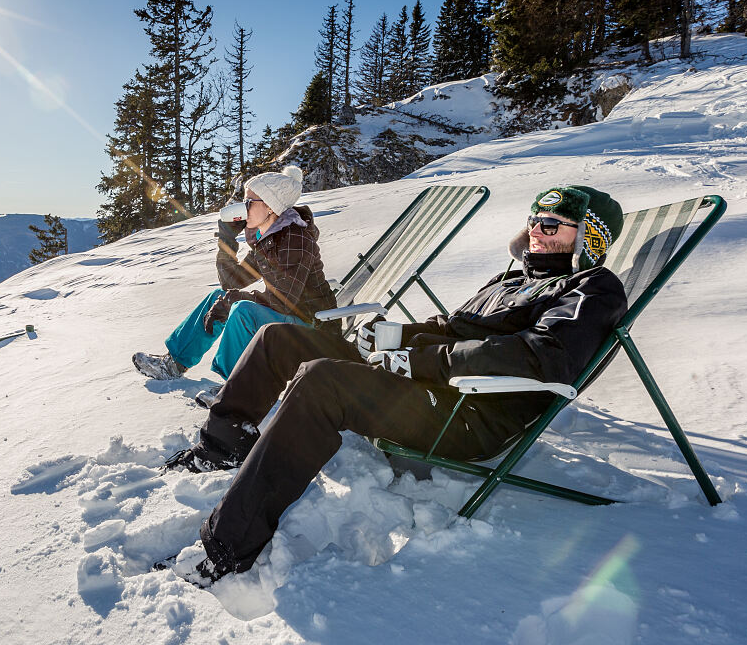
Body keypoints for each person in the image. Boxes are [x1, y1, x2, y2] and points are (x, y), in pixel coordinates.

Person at [161, 185, 629, 586]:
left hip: (470, 415)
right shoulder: (513, 278)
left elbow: (542, 357)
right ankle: (222, 444)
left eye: (553, 225)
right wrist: (393, 338)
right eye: (535, 221)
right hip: (435, 387)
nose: (536, 232)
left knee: (323, 381)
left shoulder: (591, 289)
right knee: (280, 338)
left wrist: (419, 361)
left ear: (588, 237)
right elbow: (452, 326)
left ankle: (226, 547)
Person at [132, 165, 337, 382]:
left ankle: (234, 388)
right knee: (217, 297)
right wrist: (227, 239)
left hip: (313, 327)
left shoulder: (295, 238)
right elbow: (231, 281)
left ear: (270, 206)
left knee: (242, 309)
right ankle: (173, 364)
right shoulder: (268, 239)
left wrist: (233, 300)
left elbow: (285, 301)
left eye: (250, 202)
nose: (243, 207)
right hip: (289, 317)